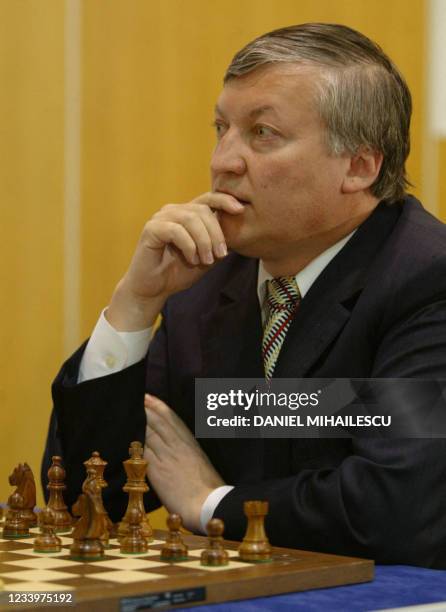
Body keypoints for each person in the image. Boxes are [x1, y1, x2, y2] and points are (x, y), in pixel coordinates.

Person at [43, 23, 446, 568]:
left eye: (262, 134)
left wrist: (210, 502)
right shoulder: (207, 281)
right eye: (220, 128)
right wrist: (135, 306)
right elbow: (83, 497)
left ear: (359, 166)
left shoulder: (426, 280)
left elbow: (394, 508)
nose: (223, 161)